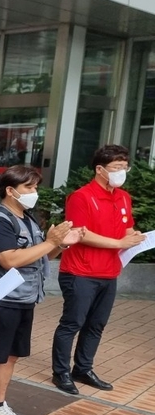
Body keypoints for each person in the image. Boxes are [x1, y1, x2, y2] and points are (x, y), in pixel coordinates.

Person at [0, 168, 82, 415]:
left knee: (11, 355)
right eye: (29, 187)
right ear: (10, 190)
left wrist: (61, 244)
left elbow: (39, 257)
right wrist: (51, 241)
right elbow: (10, 259)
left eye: (35, 187)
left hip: (25, 298)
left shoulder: (27, 219)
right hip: (0, 299)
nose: (34, 193)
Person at [52, 145, 144, 395]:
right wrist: (119, 243)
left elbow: (126, 227)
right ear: (100, 169)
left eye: (125, 167)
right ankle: (60, 372)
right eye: (116, 168)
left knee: (96, 324)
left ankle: (83, 368)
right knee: (72, 323)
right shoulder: (81, 196)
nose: (121, 172)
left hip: (108, 272)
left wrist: (133, 237)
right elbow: (80, 233)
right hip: (80, 272)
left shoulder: (123, 197)